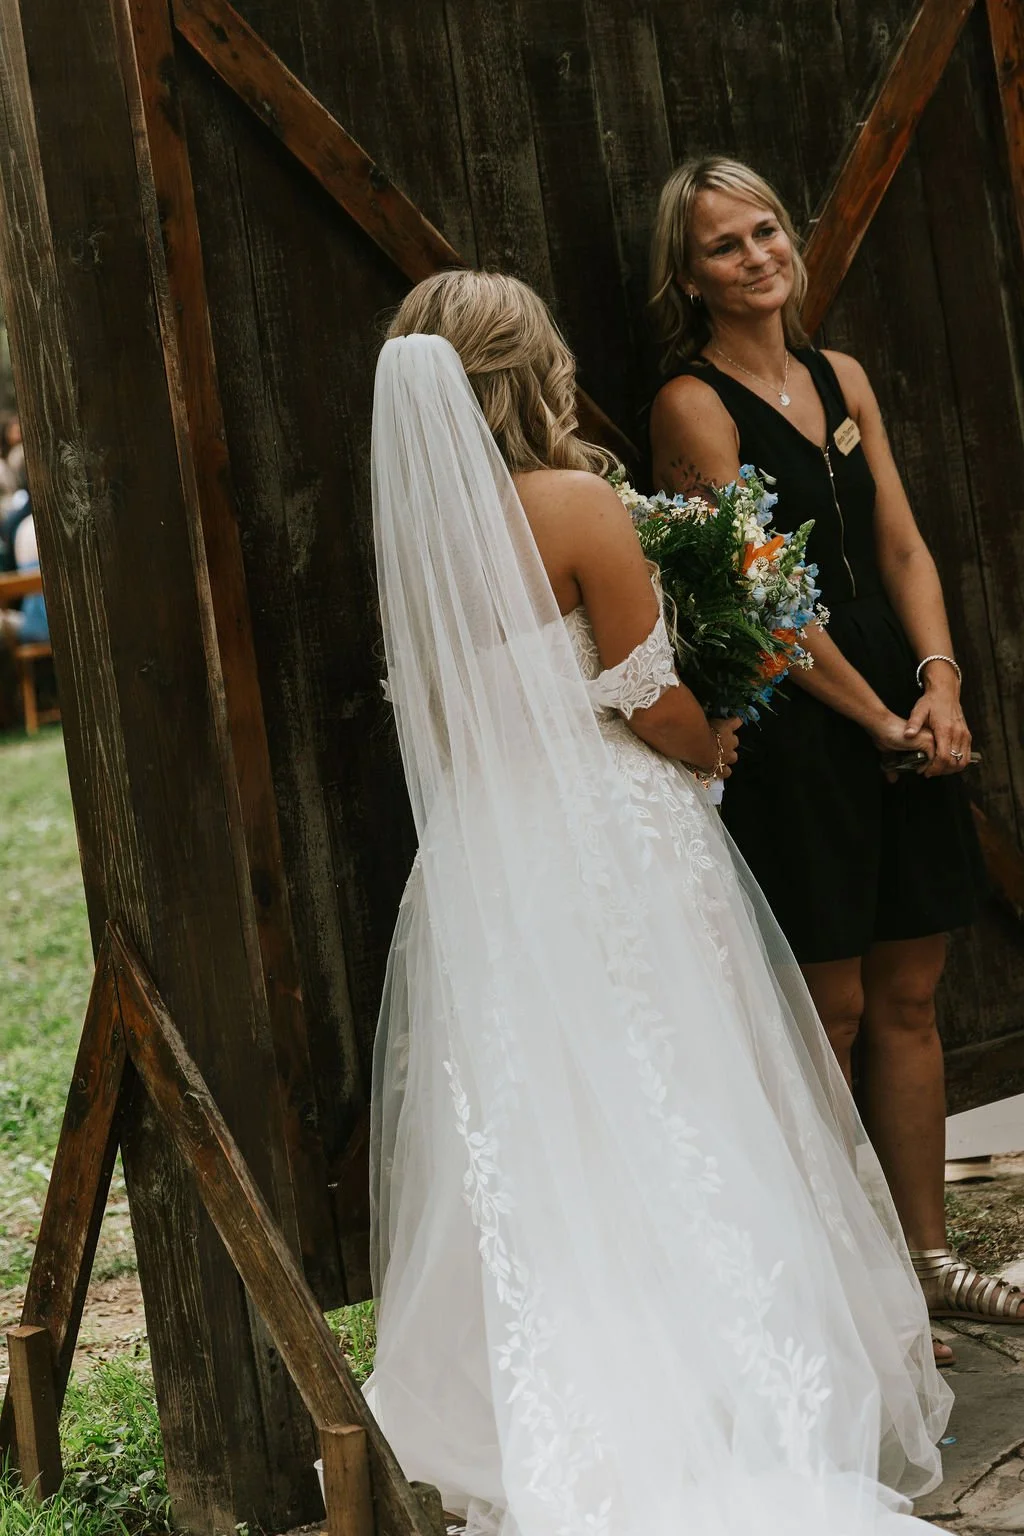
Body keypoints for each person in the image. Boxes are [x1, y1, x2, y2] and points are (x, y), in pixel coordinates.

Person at [364, 268, 951, 1536]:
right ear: (528, 371)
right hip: (608, 839)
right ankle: (715, 1395)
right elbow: (648, 698)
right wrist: (712, 733)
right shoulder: (574, 503)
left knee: (559, 1127)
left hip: (485, 858)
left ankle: (569, 1402)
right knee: (682, 1093)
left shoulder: (419, 538)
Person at [647, 157, 1010, 1362]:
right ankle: (847, 1294)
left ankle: (927, 1263)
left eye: (766, 231)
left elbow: (900, 544)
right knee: (830, 1014)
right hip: (799, 725)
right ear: (687, 277)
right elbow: (756, 598)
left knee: (910, 998)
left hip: (897, 700)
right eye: (724, 246)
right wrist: (872, 718)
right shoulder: (691, 404)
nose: (757, 257)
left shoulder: (839, 374)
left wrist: (939, 682)